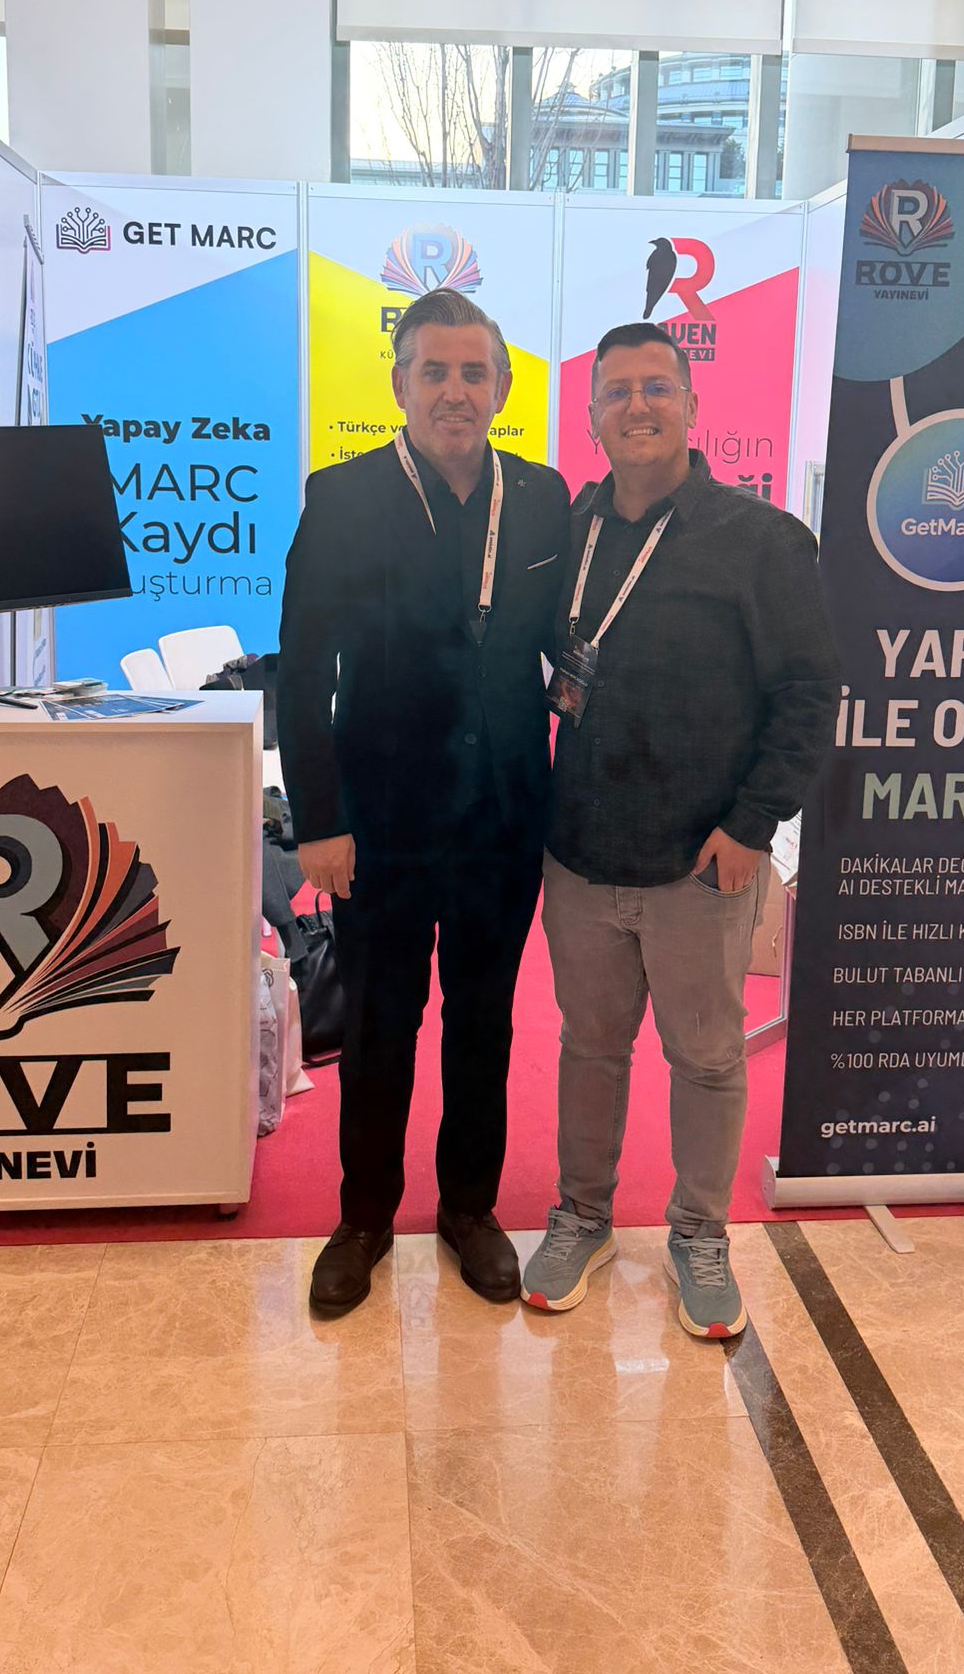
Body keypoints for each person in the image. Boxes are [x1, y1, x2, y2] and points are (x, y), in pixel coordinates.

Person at [522, 322, 840, 1338]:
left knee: (705, 1056)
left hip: (701, 859)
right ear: (591, 417)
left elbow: (808, 694)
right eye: (617, 391)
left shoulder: (763, 540)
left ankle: (701, 1232)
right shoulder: (571, 528)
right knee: (589, 1045)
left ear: (693, 407)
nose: (638, 406)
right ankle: (582, 1216)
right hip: (580, 851)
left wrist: (755, 824)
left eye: (657, 387)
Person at [278, 288, 569, 1315]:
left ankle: (469, 1209)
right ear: (400, 383)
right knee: (380, 1029)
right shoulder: (342, 497)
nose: (455, 391)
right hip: (381, 825)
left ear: (501, 387)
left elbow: (565, 644)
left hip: (503, 820)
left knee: (484, 1024)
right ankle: (363, 1217)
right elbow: (302, 671)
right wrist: (319, 819)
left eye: (472, 372)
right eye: (435, 371)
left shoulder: (542, 497)